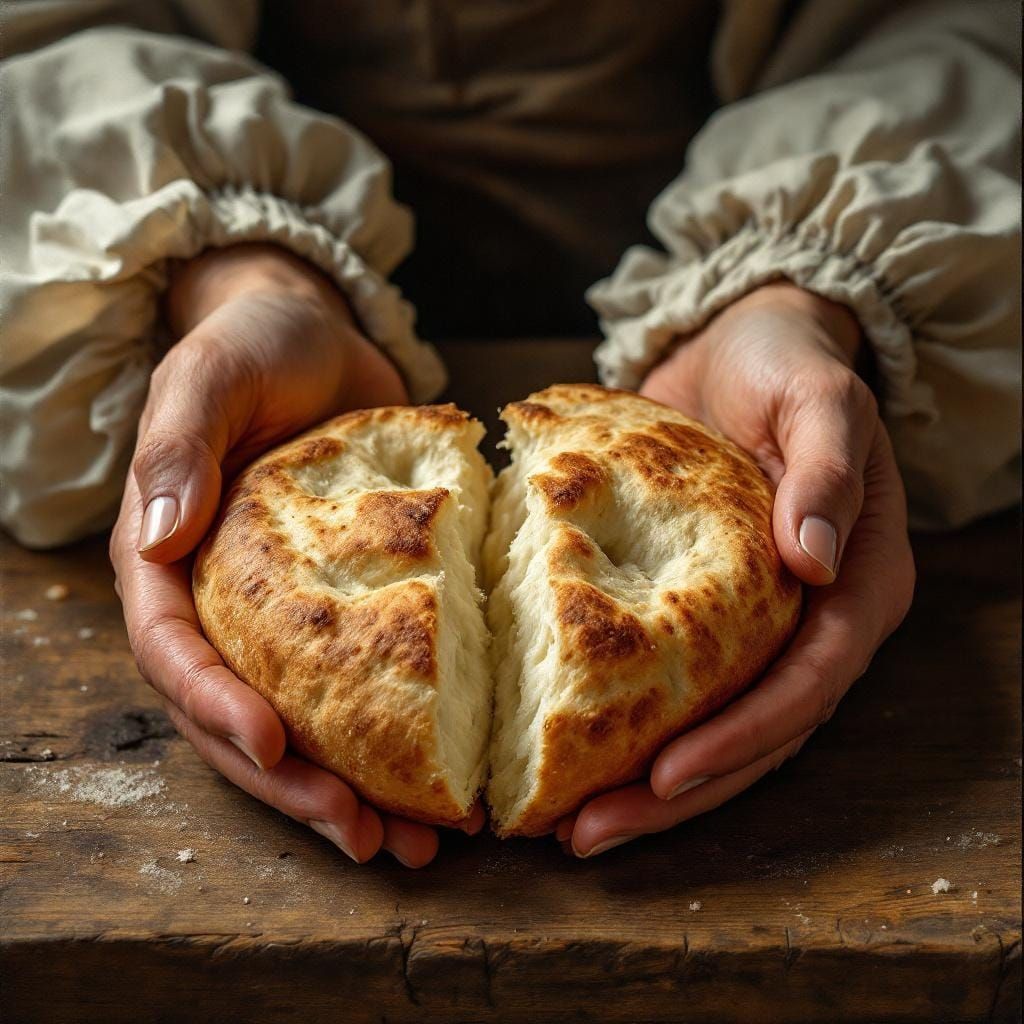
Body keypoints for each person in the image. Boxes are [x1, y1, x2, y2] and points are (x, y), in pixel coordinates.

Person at [1, 1, 1019, 868]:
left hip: (706, 340)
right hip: (288, 336)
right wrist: (229, 280)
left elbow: (953, 18)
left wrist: (802, 302)